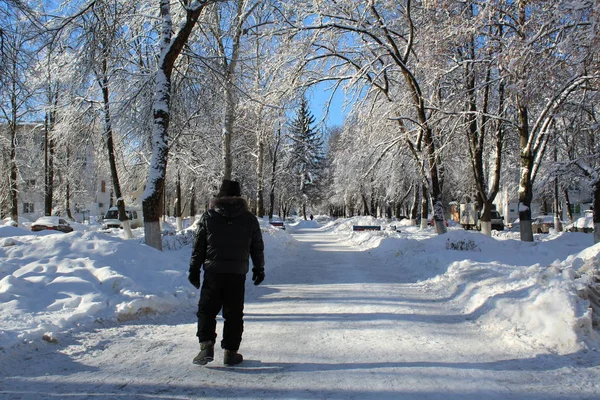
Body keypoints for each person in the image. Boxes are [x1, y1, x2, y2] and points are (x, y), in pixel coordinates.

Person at [188, 179, 265, 366]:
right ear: (239, 197)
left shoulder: (208, 216)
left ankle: (206, 346)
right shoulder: (249, 218)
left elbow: (199, 247)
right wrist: (259, 268)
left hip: (213, 273)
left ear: (220, 196)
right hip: (237, 274)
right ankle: (230, 352)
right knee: (234, 313)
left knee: (207, 310)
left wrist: (194, 269)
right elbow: (257, 247)